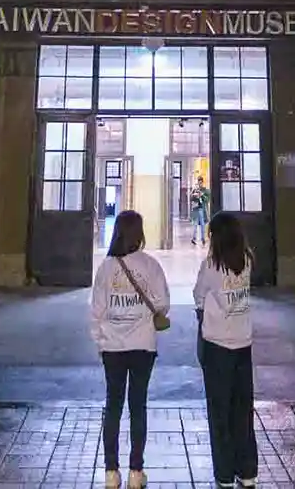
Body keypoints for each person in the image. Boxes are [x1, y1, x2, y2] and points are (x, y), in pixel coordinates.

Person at [88, 209, 169, 489]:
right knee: (138, 406)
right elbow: (162, 304)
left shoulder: (106, 268)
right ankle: (137, 471)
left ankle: (111, 472)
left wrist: (100, 341)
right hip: (143, 346)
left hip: (113, 346)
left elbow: (97, 310)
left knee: (113, 405)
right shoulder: (150, 265)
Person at [195, 211, 258, 489]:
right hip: (244, 343)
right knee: (243, 409)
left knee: (219, 411)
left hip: (218, 346)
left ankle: (223, 473)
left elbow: (198, 295)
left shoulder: (211, 266)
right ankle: (247, 471)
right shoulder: (246, 261)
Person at [190, 174, 211, 247]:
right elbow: (191, 198)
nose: (199, 184)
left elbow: (207, 199)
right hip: (196, 209)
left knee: (202, 224)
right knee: (195, 224)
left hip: (202, 209)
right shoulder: (195, 190)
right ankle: (194, 238)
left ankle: (203, 239)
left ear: (202, 182)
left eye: (200, 182)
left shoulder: (205, 190)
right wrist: (194, 195)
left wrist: (202, 195)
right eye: (198, 182)